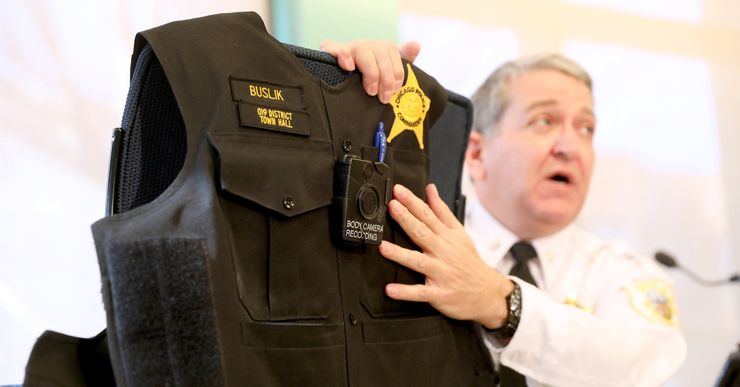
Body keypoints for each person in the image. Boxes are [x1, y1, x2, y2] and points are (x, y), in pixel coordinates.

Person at [321, 39, 687, 386]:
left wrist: (501, 301)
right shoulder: (414, 245)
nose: (569, 146)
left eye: (586, 128)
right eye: (544, 121)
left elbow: (639, 363)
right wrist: (344, 87)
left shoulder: (622, 272)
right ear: (477, 154)